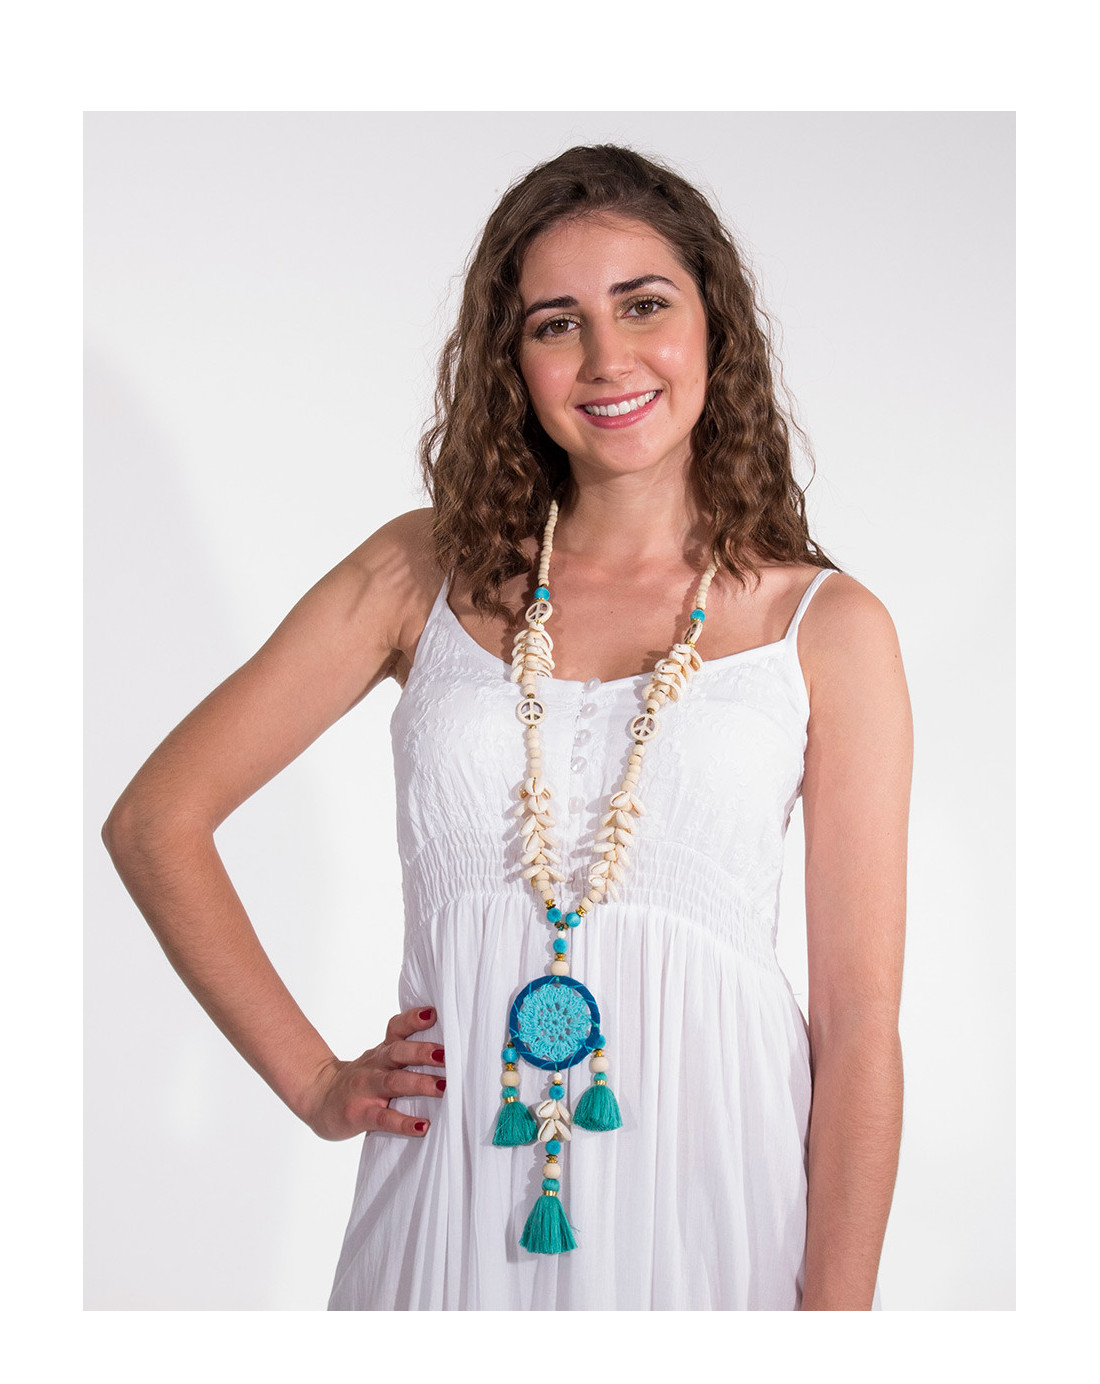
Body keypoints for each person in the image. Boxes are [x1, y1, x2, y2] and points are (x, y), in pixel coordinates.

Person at [103, 143, 911, 1311]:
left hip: (711, 1207)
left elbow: (858, 1025)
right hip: (449, 1194)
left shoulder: (825, 627)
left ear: (714, 325)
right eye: (554, 323)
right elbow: (156, 821)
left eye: (643, 304)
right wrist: (316, 1083)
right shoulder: (418, 571)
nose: (606, 357)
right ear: (510, 359)